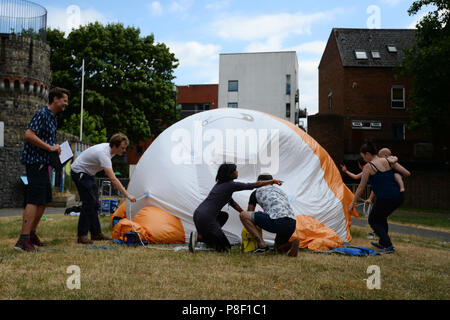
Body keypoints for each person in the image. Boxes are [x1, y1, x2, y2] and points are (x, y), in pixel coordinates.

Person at [15, 87, 70, 252]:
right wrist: (50, 147)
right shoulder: (42, 114)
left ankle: (31, 234)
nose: (66, 104)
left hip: (44, 163)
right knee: (34, 199)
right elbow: (29, 135)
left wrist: (57, 148)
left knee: (44, 199)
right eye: (64, 100)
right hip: (35, 162)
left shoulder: (53, 118)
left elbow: (50, 143)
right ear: (55, 99)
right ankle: (22, 240)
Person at [189, 164, 282, 253]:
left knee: (224, 215)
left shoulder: (220, 184)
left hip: (198, 214)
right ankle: (200, 237)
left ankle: (206, 236)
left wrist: (243, 213)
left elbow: (232, 203)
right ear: (230, 173)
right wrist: (272, 181)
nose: (237, 172)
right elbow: (252, 185)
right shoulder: (230, 185)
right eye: (235, 170)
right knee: (225, 249)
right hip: (207, 218)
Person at [71, 133, 137, 244]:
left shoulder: (111, 150)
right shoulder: (104, 154)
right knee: (89, 203)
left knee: (95, 204)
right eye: (123, 148)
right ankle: (81, 236)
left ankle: (96, 233)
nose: (124, 150)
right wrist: (127, 194)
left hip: (89, 173)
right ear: (115, 146)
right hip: (79, 172)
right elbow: (113, 179)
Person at [349, 143, 411, 253]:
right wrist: (394, 161)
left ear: (367, 154)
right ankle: (383, 243)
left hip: (386, 198)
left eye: (363, 156)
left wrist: (353, 203)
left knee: (373, 220)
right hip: (398, 196)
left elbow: (361, 188)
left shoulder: (369, 166)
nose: (364, 159)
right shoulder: (388, 161)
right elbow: (407, 173)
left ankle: (388, 245)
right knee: (381, 218)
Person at [240, 174, 300, 257]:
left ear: (260, 182)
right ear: (271, 183)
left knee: (243, 215)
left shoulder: (257, 192)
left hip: (277, 221)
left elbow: (249, 212)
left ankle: (262, 245)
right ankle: (292, 244)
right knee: (277, 248)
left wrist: (259, 217)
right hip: (292, 223)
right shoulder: (281, 192)